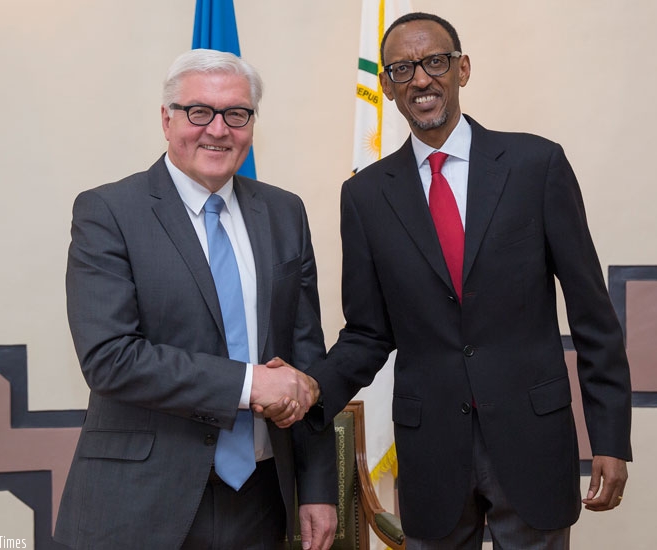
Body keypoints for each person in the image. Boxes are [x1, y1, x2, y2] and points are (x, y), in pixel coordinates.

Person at [264, 11, 632, 550]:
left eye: (435, 62)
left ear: (462, 70)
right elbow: (368, 333)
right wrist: (314, 387)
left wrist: (610, 437)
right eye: (402, 69)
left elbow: (591, 313)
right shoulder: (365, 197)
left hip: (532, 440)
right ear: (387, 87)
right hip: (431, 451)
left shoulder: (536, 164)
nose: (420, 79)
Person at [55, 49, 337, 550]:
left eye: (236, 114)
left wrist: (317, 489)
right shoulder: (108, 211)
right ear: (167, 120)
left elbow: (305, 359)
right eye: (198, 112)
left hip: (260, 499)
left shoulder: (284, 212)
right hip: (140, 501)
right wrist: (251, 384)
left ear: (252, 124)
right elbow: (109, 359)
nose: (218, 129)